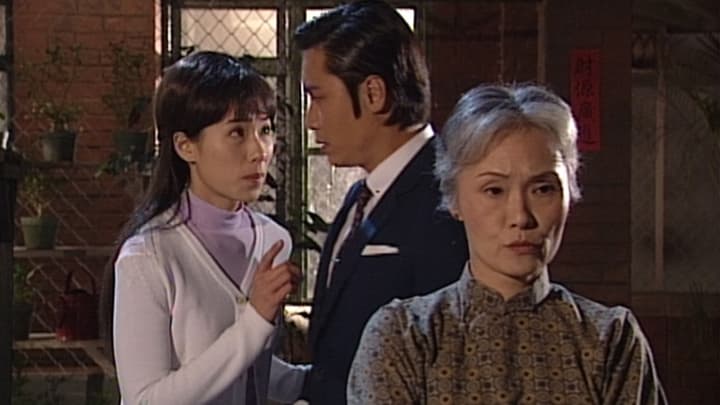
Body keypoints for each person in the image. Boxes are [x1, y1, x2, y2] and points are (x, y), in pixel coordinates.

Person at [348, 83, 668, 404]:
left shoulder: (609, 338)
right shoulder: (405, 337)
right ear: (454, 200)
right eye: (494, 191)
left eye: (543, 189)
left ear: (569, 194)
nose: (520, 217)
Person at [99, 51, 309, 405]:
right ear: (186, 146)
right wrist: (255, 320)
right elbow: (144, 400)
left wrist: (317, 382)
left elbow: (247, 367)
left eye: (265, 130)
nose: (259, 151)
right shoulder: (149, 256)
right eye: (237, 132)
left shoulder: (274, 241)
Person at [293, 1, 468, 403]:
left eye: (319, 98)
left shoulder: (449, 199)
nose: (311, 120)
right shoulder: (360, 196)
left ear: (373, 93)